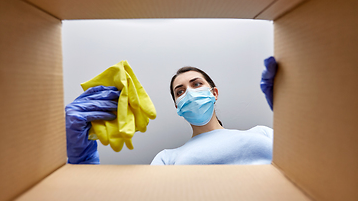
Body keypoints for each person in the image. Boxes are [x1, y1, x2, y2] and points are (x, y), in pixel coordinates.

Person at [65, 57, 277, 165]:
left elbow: (305, 164)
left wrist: (294, 113)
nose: (190, 93)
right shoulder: (167, 158)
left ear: (215, 93)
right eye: (180, 91)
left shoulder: (261, 132)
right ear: (177, 106)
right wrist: (83, 159)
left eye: (196, 84)